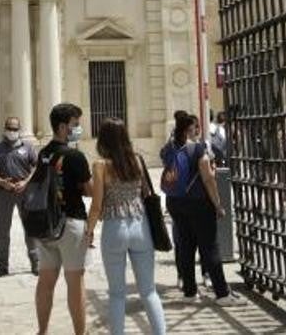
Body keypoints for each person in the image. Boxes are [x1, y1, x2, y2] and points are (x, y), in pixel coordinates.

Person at [84, 118, 166, 335]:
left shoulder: (101, 166)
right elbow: (146, 193)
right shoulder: (137, 161)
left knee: (117, 294)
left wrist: (89, 230)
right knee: (149, 291)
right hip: (141, 226)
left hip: (114, 227)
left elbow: (96, 205)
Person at [35, 103, 92, 335]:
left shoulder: (43, 153)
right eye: (75, 125)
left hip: (46, 223)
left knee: (46, 281)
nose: (78, 129)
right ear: (62, 127)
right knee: (75, 282)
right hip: (71, 223)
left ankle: (43, 330)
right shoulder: (75, 155)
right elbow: (88, 190)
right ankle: (81, 332)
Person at [160, 110, 230, 302]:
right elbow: (207, 178)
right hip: (199, 203)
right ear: (189, 129)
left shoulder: (167, 150)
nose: (196, 131)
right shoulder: (198, 149)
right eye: (194, 128)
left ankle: (189, 292)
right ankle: (222, 293)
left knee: (185, 247)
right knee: (209, 247)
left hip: (175, 202)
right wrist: (217, 204)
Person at [0, 116, 39, 277]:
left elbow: (36, 167)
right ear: (5, 129)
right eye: (9, 128)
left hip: (25, 192)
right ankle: (2, 266)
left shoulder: (28, 147)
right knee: (3, 230)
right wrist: (1, 182)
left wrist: (25, 181)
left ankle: (36, 263)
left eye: (15, 128)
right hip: (4, 192)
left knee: (30, 228)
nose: (12, 131)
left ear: (19, 130)